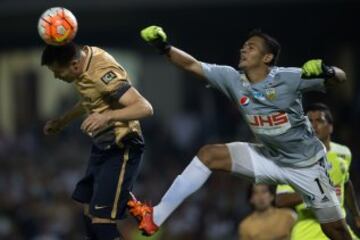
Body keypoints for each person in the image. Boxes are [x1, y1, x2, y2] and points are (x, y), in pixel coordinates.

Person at [127, 25, 350, 239]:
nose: (243, 49)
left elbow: (340, 78)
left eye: (251, 47)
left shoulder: (288, 78)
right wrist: (164, 48)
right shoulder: (232, 79)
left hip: (307, 166)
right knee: (209, 155)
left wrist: (328, 70)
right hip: (269, 157)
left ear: (267, 58)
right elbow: (192, 65)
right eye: (243, 46)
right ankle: (155, 216)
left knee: (335, 230)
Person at [41, 42, 153, 240]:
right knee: (88, 213)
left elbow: (144, 107)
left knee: (102, 223)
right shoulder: (82, 63)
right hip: (102, 145)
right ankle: (136, 208)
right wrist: (62, 121)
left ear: (74, 65)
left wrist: (106, 116)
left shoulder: (103, 74)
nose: (56, 76)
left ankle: (136, 207)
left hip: (122, 145)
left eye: (57, 71)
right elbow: (89, 99)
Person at [276, 103, 360, 239]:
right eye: (309, 121)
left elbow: (345, 182)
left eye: (319, 121)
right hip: (309, 231)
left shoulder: (343, 153)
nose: (313, 126)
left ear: (330, 127)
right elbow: (280, 200)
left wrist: (356, 215)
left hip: (340, 228)